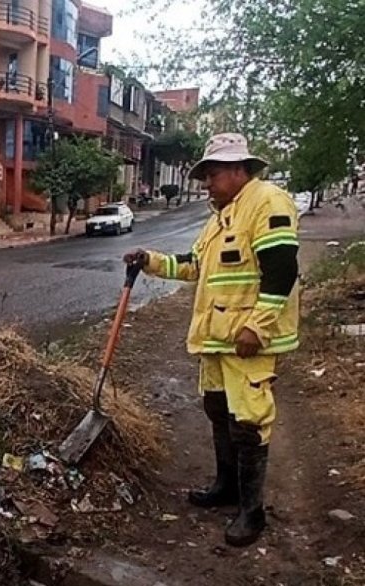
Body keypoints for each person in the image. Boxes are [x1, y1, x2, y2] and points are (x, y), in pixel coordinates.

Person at [124, 133, 300, 547]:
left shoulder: (267, 202)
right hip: (217, 341)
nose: (206, 182)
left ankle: (252, 512)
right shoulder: (219, 217)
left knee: (249, 422)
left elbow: (282, 270)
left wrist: (257, 326)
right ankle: (226, 486)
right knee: (218, 411)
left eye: (213, 174)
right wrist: (150, 260)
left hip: (247, 341)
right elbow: (193, 267)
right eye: (204, 175)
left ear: (240, 170)